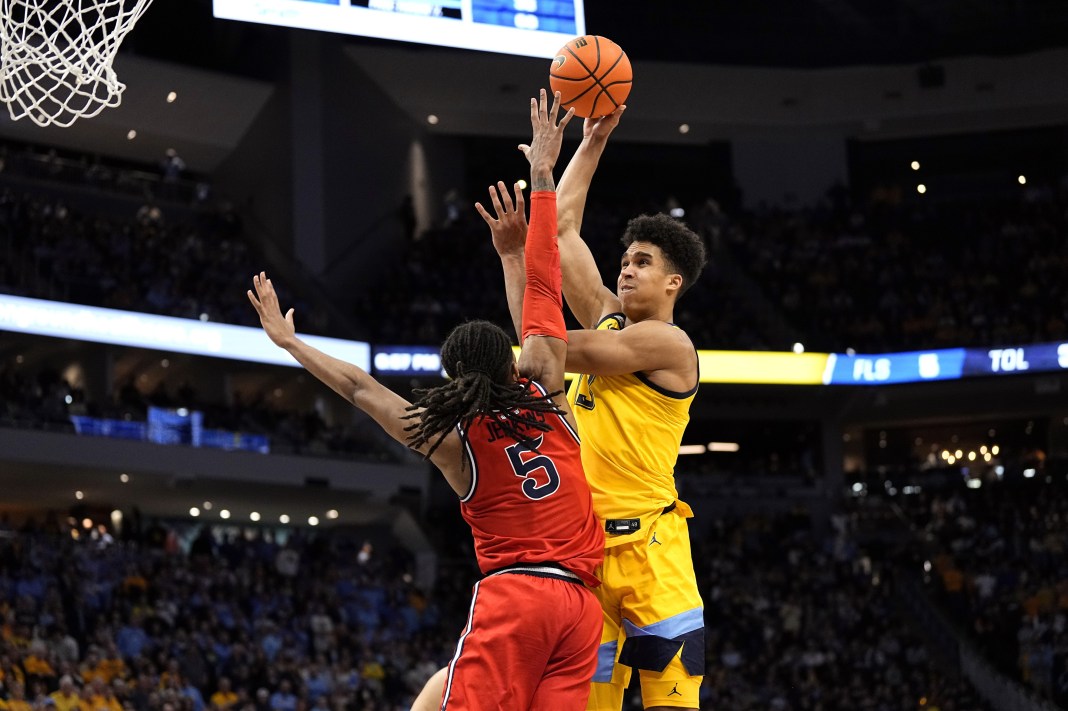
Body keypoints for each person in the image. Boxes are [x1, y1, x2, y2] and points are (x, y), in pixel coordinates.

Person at [249, 89, 603, 711]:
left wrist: (291, 343)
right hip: (580, 608)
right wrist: (540, 177)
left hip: (517, 596)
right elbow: (544, 281)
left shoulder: (451, 438)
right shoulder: (546, 385)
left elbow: (359, 387)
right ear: (510, 359)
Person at [486, 104, 709, 710]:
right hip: (584, 552)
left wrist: (518, 263)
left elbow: (549, 345)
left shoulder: (667, 344)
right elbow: (559, 232)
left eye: (644, 263)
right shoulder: (611, 318)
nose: (626, 268)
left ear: (673, 284)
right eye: (626, 258)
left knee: (673, 703)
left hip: (653, 553)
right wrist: (591, 143)